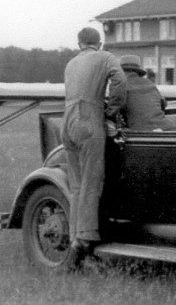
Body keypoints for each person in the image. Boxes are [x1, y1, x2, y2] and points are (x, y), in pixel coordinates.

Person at [61, 27, 126, 256]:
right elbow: (120, 81)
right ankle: (85, 237)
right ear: (99, 43)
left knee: (76, 184)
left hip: (66, 121)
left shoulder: (70, 64)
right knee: (92, 180)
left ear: (79, 43)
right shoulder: (105, 57)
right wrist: (111, 110)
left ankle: (73, 236)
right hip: (88, 120)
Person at [118, 55, 176, 131]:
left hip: (142, 134)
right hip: (168, 130)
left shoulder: (121, 86)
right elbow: (164, 103)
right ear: (138, 72)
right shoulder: (149, 83)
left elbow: (114, 109)